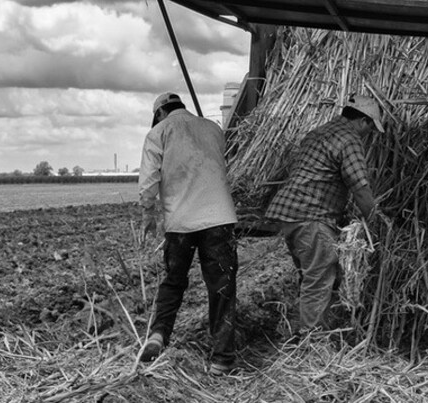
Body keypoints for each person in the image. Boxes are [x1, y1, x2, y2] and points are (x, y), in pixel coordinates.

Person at [263, 94, 384, 335]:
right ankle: (311, 343)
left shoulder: (318, 133)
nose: (368, 134)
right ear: (362, 120)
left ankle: (305, 330)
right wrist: (377, 221)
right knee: (319, 279)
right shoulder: (349, 139)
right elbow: (360, 187)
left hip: (289, 215)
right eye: (370, 127)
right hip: (312, 217)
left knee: (311, 278)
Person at [137, 92, 239, 376]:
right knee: (222, 288)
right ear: (181, 107)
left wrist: (149, 214)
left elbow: (148, 181)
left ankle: (158, 334)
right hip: (219, 218)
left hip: (180, 221)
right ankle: (222, 359)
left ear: (159, 113)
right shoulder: (213, 128)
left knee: (173, 282)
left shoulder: (159, 132)